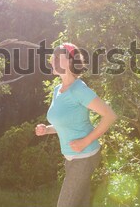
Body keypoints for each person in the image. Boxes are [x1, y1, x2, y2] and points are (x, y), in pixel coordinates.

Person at [35, 42, 118, 207]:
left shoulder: (79, 90)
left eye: (57, 57)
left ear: (69, 62)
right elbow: (65, 124)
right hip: (71, 158)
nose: (51, 61)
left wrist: (84, 142)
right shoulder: (57, 90)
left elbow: (110, 115)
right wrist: (47, 130)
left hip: (84, 156)